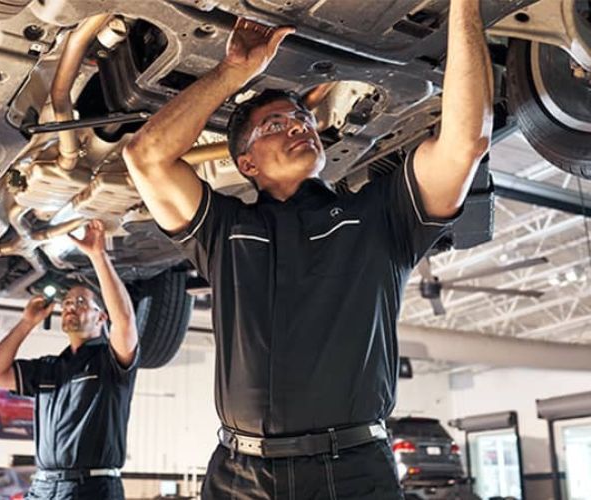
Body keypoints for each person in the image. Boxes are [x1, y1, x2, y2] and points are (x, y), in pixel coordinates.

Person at [122, 0, 492, 497]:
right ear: (246, 164)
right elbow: (144, 157)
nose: (299, 125)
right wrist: (233, 72)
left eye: (302, 119)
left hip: (354, 475)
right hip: (240, 476)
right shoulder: (225, 231)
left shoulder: (380, 217)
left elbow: (465, 141)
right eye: (275, 125)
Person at [0, 219, 138, 500]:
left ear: (101, 317)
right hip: (42, 487)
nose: (70, 308)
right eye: (66, 303)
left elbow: (124, 321)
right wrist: (27, 323)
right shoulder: (49, 368)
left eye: (80, 303)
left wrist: (97, 256)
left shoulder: (109, 361)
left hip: (91, 489)